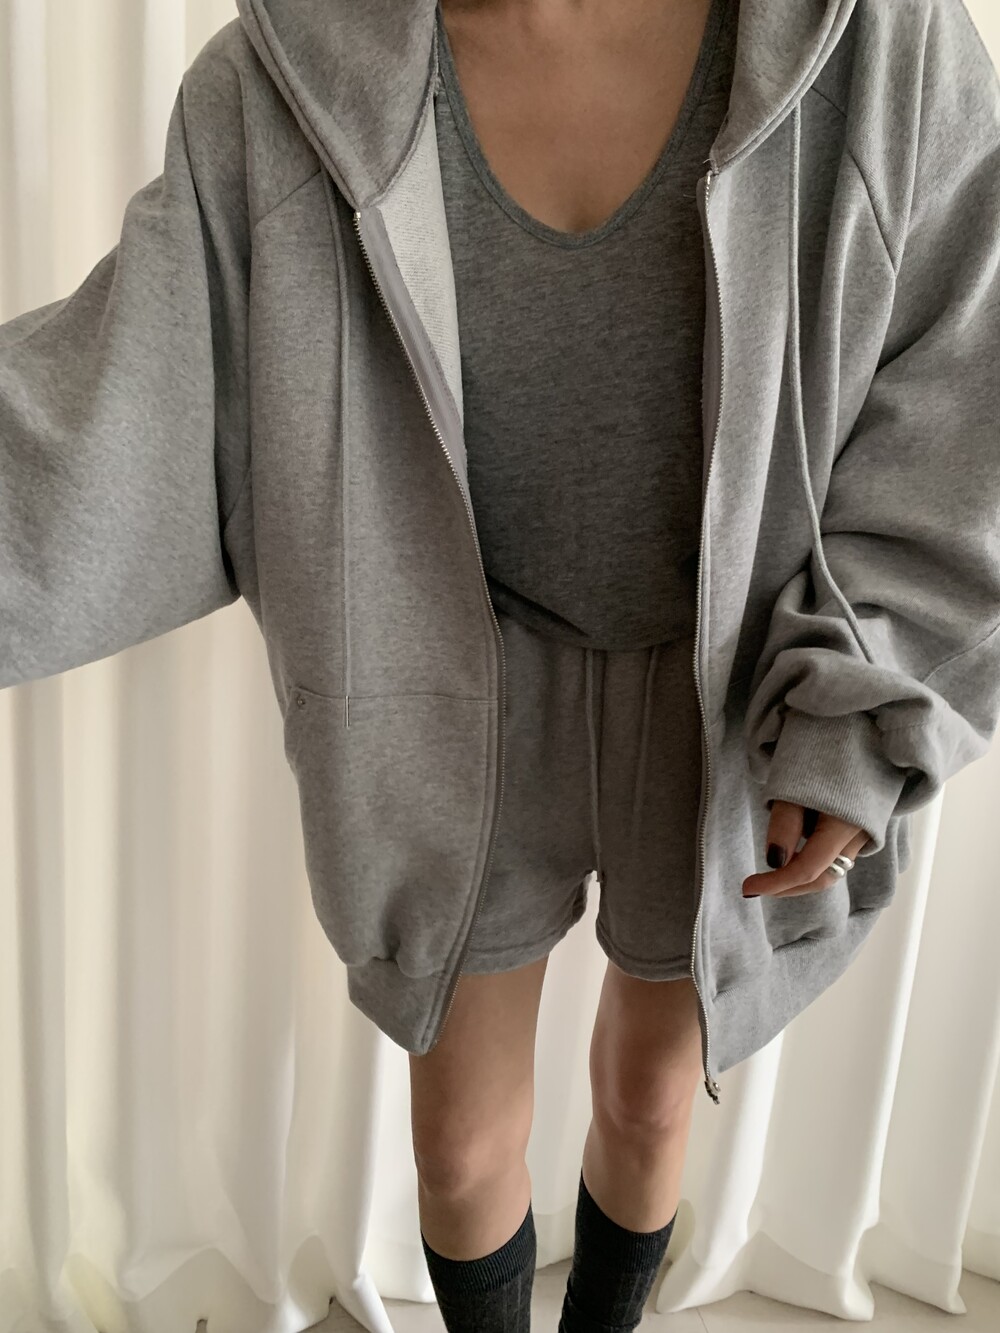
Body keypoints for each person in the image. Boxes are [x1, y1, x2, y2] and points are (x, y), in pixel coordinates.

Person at [2, 1, 998, 1330]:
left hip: (725, 690)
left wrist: (857, 715)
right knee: (463, 1147)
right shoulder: (288, 83)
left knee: (649, 1099)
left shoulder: (872, 45)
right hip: (450, 680)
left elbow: (965, 398)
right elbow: (117, 404)